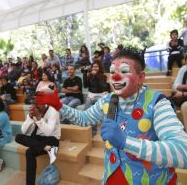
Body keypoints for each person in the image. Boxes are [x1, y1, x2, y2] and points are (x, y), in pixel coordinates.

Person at [35, 46, 187, 184]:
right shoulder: (109, 100)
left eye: (124, 71)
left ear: (141, 77)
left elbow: (182, 152)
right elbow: (84, 119)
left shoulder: (157, 103)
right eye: (113, 72)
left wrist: (125, 142)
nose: (115, 77)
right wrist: (59, 105)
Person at [15, 86, 60, 185]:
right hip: (39, 141)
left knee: (29, 152)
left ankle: (47, 147)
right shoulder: (33, 110)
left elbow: (48, 132)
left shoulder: (53, 112)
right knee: (18, 137)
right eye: (34, 103)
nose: (36, 106)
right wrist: (30, 118)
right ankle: (45, 148)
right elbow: (24, 131)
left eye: (38, 103)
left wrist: (38, 118)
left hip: (52, 139)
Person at [83, 60, 110, 135]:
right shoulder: (90, 75)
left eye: (96, 67)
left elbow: (101, 87)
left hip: (100, 96)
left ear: (99, 67)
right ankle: (91, 129)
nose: (94, 68)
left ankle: (94, 130)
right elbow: (85, 85)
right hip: (91, 96)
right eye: (93, 66)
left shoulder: (103, 76)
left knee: (92, 109)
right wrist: (85, 73)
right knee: (87, 110)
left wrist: (96, 76)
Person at [173, 55, 187, 131]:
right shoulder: (184, 69)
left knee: (185, 106)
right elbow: (175, 85)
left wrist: (182, 93)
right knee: (169, 104)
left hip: (184, 97)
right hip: (183, 97)